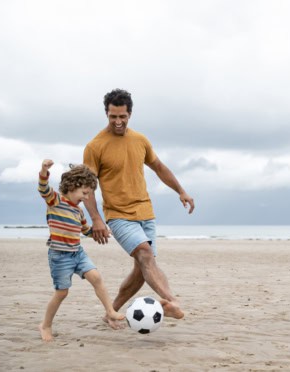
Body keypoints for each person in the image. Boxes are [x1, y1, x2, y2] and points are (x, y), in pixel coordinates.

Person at [83, 89, 194, 327]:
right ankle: (172, 301)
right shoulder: (95, 146)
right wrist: (96, 219)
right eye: (113, 116)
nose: (118, 121)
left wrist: (181, 191)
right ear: (106, 114)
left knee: (141, 269)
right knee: (145, 254)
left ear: (130, 114)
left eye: (122, 116)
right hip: (118, 214)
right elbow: (87, 188)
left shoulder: (140, 140)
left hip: (145, 212)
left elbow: (159, 167)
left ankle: (110, 312)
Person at [38, 159, 125, 342]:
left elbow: (86, 230)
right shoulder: (55, 200)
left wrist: (100, 232)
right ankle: (45, 325)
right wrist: (44, 170)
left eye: (89, 194)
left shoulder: (78, 211)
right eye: (84, 193)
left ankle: (110, 311)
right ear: (72, 186)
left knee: (96, 277)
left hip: (77, 253)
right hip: (60, 256)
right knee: (62, 293)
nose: (86, 198)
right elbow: (43, 188)